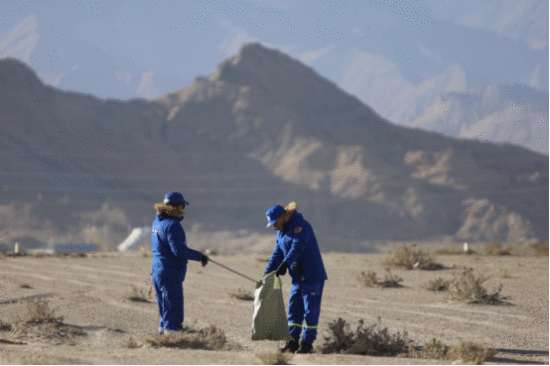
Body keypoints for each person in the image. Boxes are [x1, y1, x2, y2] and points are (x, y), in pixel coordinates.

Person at [263, 201, 328, 354]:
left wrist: (286, 264)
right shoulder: (281, 232)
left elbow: (298, 246)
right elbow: (277, 254)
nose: (274, 226)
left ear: (282, 217)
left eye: (275, 222)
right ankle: (291, 343)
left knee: (310, 311)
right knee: (294, 311)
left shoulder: (301, 226)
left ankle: (307, 344)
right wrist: (267, 273)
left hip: (312, 277)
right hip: (297, 279)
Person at [151, 191, 209, 335]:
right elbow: (179, 250)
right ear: (176, 206)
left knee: (165, 308)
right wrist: (200, 256)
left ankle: (161, 337)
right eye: (182, 206)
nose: (183, 210)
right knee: (173, 309)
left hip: (158, 272)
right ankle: (173, 342)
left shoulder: (157, 223)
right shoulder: (172, 226)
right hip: (170, 273)